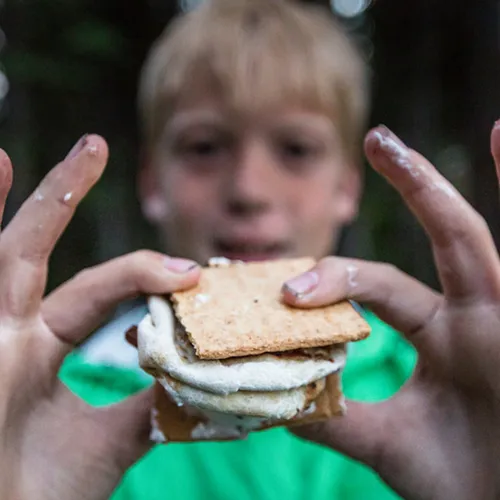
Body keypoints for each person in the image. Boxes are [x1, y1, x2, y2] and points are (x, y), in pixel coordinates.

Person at [1, 2, 500, 500]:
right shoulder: (54, 410)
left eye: (296, 150)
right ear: (152, 181)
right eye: (204, 148)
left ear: (348, 186)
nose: (249, 190)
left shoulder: (441, 391)